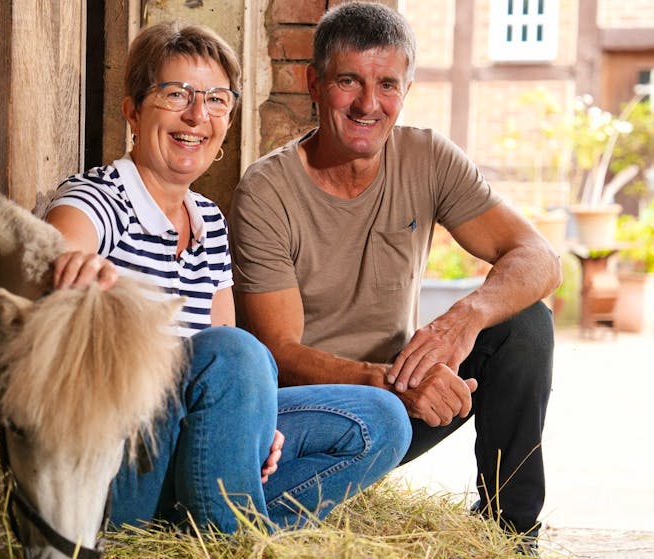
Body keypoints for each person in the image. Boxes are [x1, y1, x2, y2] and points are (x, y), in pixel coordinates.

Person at [43, 21, 411, 532]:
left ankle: (213, 522)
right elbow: (62, 245)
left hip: (191, 458)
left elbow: (227, 366)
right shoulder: (101, 198)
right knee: (237, 351)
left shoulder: (209, 222)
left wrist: (249, 422)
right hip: (115, 467)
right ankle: (236, 540)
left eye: (216, 100)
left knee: (383, 418)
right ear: (133, 111)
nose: (198, 116)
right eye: (176, 94)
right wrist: (75, 265)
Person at [229, 1, 560, 550]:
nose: (368, 104)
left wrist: (463, 320)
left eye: (386, 84)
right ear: (314, 84)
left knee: (524, 326)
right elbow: (279, 354)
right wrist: (389, 385)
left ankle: (510, 534)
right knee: (367, 408)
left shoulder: (428, 157)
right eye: (349, 82)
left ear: (406, 90)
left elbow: (539, 258)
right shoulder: (266, 192)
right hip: (307, 424)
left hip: (402, 401)